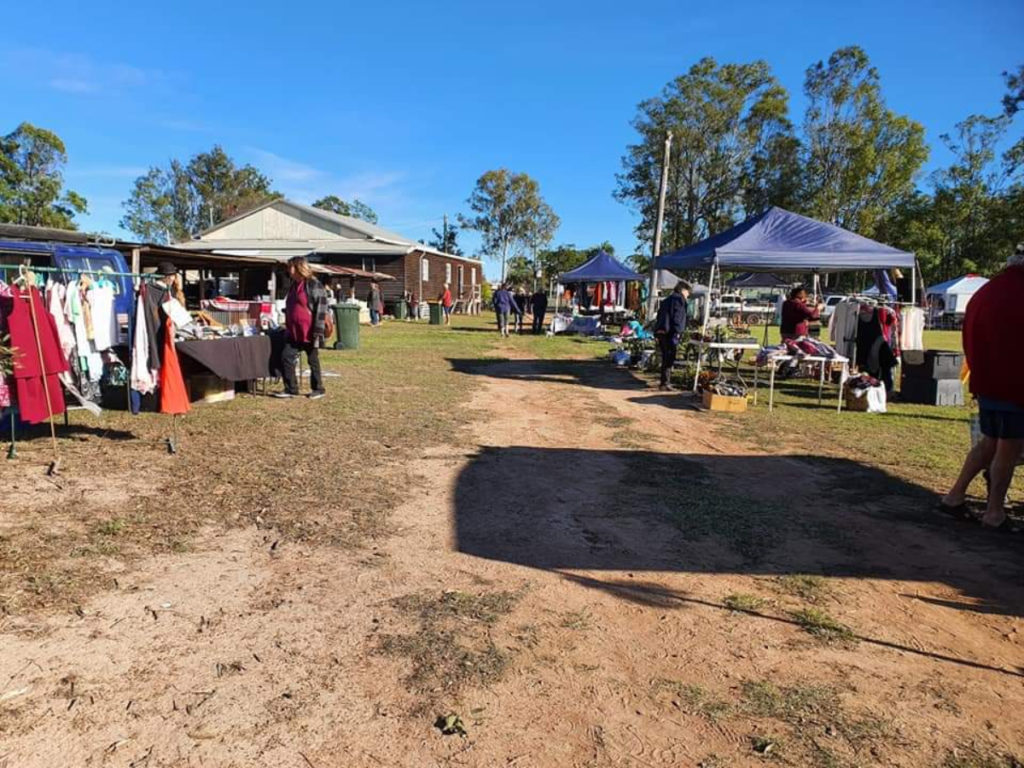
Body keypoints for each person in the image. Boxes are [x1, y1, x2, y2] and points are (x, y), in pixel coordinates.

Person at [941, 244, 1024, 530]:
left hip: (988, 381)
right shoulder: (1017, 293)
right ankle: (994, 513)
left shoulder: (987, 291)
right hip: (1013, 385)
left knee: (988, 443)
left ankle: (954, 497)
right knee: (1008, 449)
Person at [275, 256, 327, 400]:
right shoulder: (293, 285)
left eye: (290, 266)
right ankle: (291, 388)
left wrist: (318, 331)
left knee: (313, 361)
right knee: (286, 357)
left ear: (298, 267)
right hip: (294, 331)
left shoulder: (313, 284)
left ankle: (318, 388)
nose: (288, 270)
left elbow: (321, 308)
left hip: (309, 331)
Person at [654, 281, 691, 391]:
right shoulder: (679, 300)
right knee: (669, 357)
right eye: (688, 292)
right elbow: (677, 317)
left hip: (661, 331)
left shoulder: (666, 300)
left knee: (666, 356)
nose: (688, 295)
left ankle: (664, 382)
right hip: (671, 332)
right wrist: (678, 331)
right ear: (683, 290)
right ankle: (665, 382)